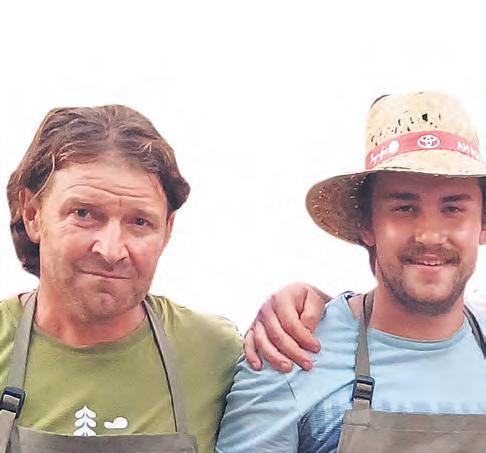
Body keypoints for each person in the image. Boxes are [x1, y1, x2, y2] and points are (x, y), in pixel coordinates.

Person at [0, 105, 327, 453]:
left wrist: (319, 309)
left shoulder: (218, 353)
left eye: (139, 222)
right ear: (33, 214)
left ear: (168, 230)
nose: (111, 250)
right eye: (84, 214)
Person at [216, 91, 486, 452]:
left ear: (482, 225)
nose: (429, 235)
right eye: (404, 208)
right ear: (367, 225)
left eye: (453, 209)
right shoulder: (291, 355)